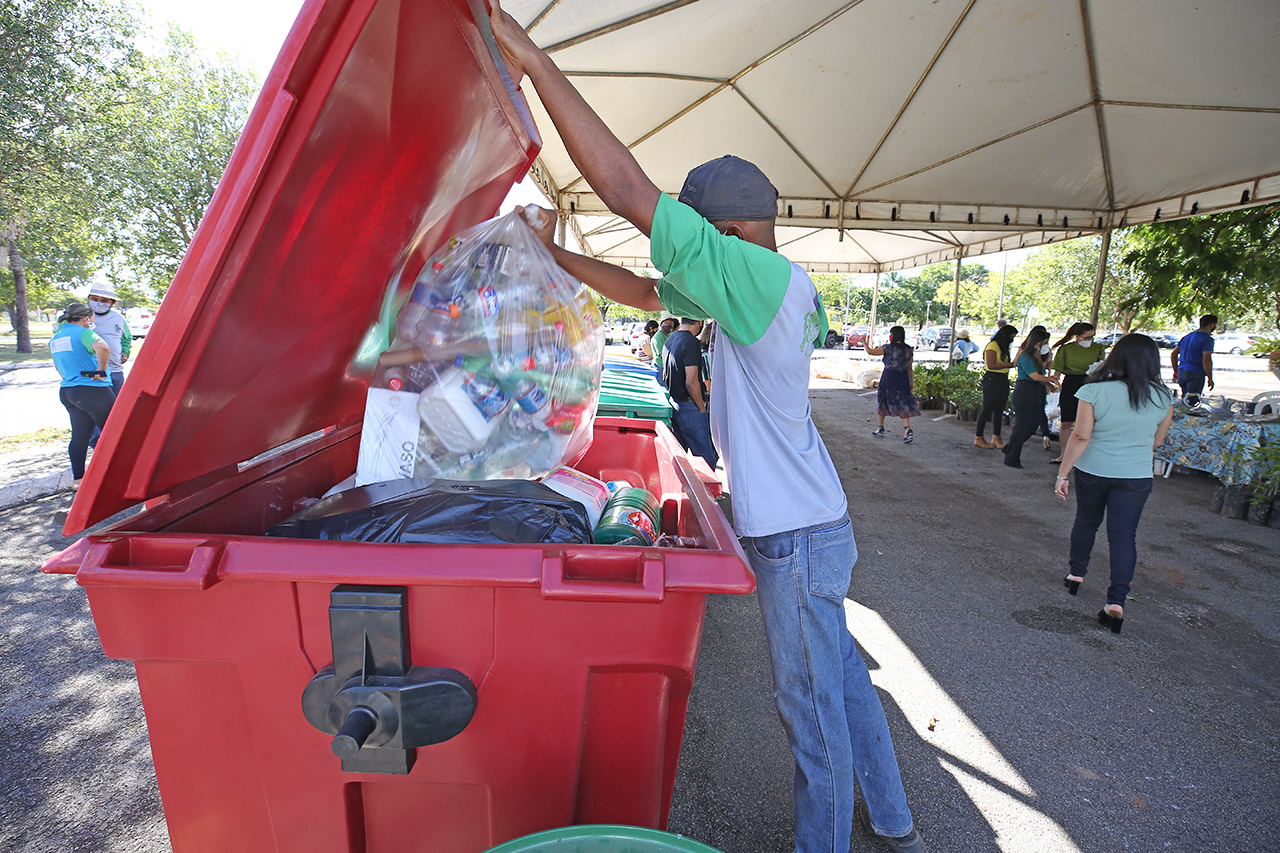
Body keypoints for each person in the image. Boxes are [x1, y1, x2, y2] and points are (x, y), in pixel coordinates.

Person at [489, 6, 923, 851]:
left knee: (812, 717)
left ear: (724, 234)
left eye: (690, 236)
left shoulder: (755, 277)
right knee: (844, 684)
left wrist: (537, 63)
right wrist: (550, 255)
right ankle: (898, 821)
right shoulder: (765, 287)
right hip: (815, 521)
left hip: (794, 536)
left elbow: (624, 188)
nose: (676, 253)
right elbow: (648, 294)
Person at [1056, 334, 1174, 633]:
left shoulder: (1093, 391)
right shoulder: (1162, 396)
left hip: (1093, 470)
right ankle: (1116, 602)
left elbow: (1080, 437)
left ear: (1115, 357)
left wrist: (1063, 473)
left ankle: (1076, 575)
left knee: (1086, 522)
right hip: (1135, 477)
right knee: (1123, 537)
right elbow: (1156, 442)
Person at [49, 303, 115, 488]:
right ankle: (117, 477)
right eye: (91, 318)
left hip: (68, 391)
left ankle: (78, 479)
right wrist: (101, 369)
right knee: (115, 433)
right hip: (92, 390)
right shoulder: (84, 333)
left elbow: (57, 365)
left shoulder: (56, 338)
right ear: (86, 318)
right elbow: (102, 347)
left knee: (80, 436)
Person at [662, 318, 717, 469]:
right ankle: (710, 493)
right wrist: (701, 407)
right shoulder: (692, 342)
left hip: (674, 402)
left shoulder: (670, 339)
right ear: (699, 322)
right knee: (706, 459)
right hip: (690, 405)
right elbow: (691, 381)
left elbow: (664, 374)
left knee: (679, 458)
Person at [1049, 322, 1107, 462]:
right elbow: (1057, 372)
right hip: (1071, 383)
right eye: (1087, 337)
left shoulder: (1098, 348)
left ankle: (1085, 455)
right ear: (1077, 337)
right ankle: (1064, 454)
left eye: (1092, 337)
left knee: (1089, 421)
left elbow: (1103, 367)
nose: (1090, 340)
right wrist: (1053, 382)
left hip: (1091, 383)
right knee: (1066, 421)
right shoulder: (1066, 349)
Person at [1002, 328, 1058, 468]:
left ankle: (1010, 447)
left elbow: (1039, 376)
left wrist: (1047, 383)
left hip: (1035, 390)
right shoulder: (1026, 356)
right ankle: (1012, 457)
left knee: (1032, 425)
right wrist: (1049, 379)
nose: (1045, 345)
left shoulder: (1036, 357)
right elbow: (1034, 376)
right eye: (1044, 342)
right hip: (1025, 391)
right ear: (1036, 342)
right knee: (1022, 425)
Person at [85, 281, 132, 447]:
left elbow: (126, 338)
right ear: (89, 299)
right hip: (93, 372)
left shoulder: (118, 318)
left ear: (112, 303)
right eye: (95, 299)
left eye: (104, 300)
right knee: (94, 411)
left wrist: (125, 352)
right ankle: (96, 445)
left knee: (115, 411)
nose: (98, 303)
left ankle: (113, 445)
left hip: (115, 371)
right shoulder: (81, 318)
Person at [865, 326, 921, 443]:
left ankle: (880, 428)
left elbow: (870, 351)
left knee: (883, 400)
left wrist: (863, 342)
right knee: (903, 402)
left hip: (889, 377)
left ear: (892, 336)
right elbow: (910, 368)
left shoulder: (888, 348)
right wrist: (911, 381)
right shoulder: (908, 349)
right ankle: (907, 429)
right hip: (903, 377)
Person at [974, 324, 1018, 449]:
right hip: (992, 378)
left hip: (1002, 379)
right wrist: (1009, 365)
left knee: (999, 409)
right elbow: (991, 365)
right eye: (1011, 336)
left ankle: (996, 437)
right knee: (987, 408)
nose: (1012, 339)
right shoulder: (992, 346)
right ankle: (979, 437)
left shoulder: (1004, 347)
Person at [1171, 315, 1217, 404]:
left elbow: (1174, 354)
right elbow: (1206, 360)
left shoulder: (1187, 337)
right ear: (1212, 325)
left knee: (1185, 401)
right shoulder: (1207, 339)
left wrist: (1175, 371)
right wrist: (1210, 378)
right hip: (1196, 374)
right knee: (1192, 404)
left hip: (1182, 372)